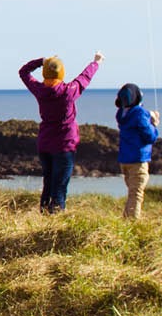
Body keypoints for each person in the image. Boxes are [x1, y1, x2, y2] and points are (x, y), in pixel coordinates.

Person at [19, 52, 103, 213]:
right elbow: (84, 77)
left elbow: (23, 72)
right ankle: (55, 219)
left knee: (49, 182)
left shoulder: (40, 90)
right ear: (61, 73)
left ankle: (44, 215)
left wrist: (41, 61)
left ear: (45, 73)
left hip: (45, 145)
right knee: (60, 186)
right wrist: (96, 62)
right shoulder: (68, 91)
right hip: (64, 146)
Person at [115, 83, 160, 219]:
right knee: (136, 194)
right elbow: (149, 137)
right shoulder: (140, 114)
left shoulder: (121, 114)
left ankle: (127, 218)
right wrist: (154, 124)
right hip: (138, 160)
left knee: (133, 192)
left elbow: (136, 116)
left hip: (125, 160)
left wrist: (148, 115)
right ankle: (132, 224)